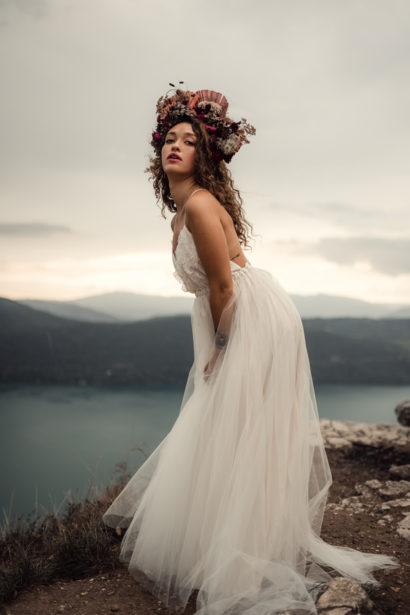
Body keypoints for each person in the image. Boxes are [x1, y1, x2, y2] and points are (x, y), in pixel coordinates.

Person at [103, 86, 399, 615]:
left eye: (188, 141)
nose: (175, 145)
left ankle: (243, 556)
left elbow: (222, 287)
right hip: (237, 307)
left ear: (204, 155)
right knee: (227, 423)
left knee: (233, 419)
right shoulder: (181, 212)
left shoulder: (196, 205)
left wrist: (221, 347)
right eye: (169, 138)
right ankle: (225, 542)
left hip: (249, 312)